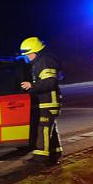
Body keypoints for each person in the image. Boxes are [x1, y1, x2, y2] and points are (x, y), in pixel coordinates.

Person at [19, 37, 63, 165]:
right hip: (46, 101)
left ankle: (40, 158)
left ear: (36, 52)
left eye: (28, 55)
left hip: (49, 101)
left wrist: (32, 86)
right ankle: (55, 153)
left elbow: (51, 82)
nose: (27, 57)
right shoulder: (39, 62)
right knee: (50, 129)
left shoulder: (44, 61)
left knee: (43, 128)